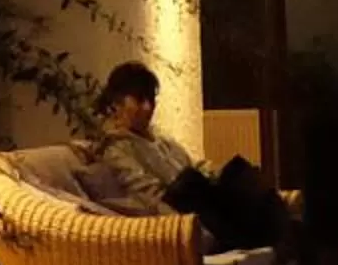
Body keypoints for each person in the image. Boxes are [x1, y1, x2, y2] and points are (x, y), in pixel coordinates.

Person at [77, 60, 284, 253]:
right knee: (239, 191)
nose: (148, 108)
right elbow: (148, 192)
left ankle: (285, 239)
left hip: (200, 194)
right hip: (183, 206)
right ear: (116, 104)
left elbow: (194, 165)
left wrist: (214, 174)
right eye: (139, 100)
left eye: (151, 99)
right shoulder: (115, 147)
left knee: (240, 174)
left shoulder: (161, 138)